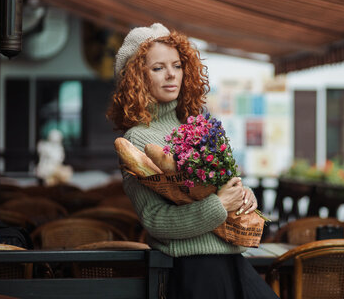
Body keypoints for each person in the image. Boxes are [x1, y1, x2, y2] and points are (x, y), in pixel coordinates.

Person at [107, 23, 278, 299]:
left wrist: (243, 196)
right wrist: (219, 204)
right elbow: (155, 220)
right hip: (194, 270)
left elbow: (222, 189)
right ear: (137, 77)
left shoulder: (196, 125)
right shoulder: (137, 139)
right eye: (158, 68)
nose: (171, 74)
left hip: (233, 262)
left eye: (176, 65)